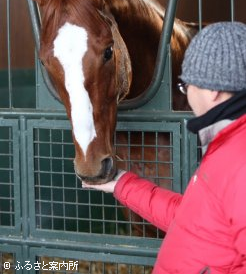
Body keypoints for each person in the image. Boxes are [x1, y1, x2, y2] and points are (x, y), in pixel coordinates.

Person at [83, 21, 246, 274]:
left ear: (213, 90)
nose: (187, 94)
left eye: (187, 85)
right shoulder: (226, 146)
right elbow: (192, 221)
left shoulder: (238, 157)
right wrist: (121, 183)